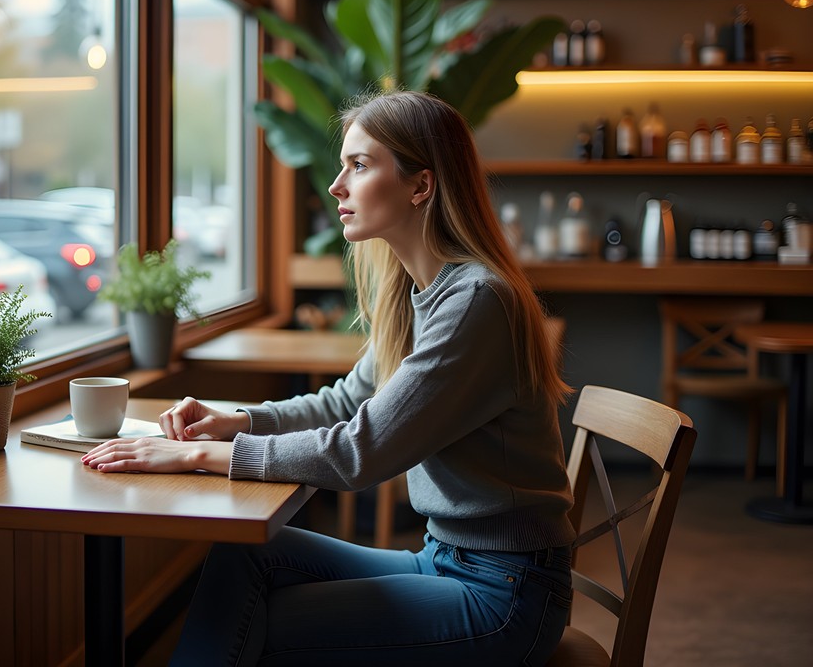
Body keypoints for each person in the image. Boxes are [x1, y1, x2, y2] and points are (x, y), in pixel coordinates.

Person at [83, 90, 576, 666]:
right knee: (243, 557)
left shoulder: (476, 301)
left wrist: (198, 456)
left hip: (505, 596)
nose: (336, 186)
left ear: (421, 186)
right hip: (446, 558)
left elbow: (359, 452)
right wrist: (237, 421)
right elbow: (346, 402)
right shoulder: (414, 292)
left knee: (260, 621)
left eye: (360, 166)